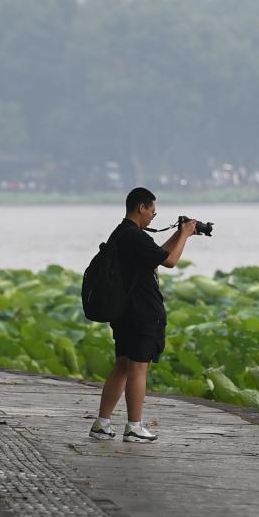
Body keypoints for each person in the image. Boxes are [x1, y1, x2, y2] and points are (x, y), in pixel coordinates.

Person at [89, 187, 197, 443]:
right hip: (142, 313)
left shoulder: (123, 234)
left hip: (124, 312)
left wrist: (179, 234)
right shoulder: (135, 237)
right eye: (152, 212)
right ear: (142, 207)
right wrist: (186, 235)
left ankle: (102, 424)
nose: (152, 217)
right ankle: (134, 427)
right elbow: (170, 262)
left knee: (123, 367)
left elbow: (158, 256)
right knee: (139, 368)